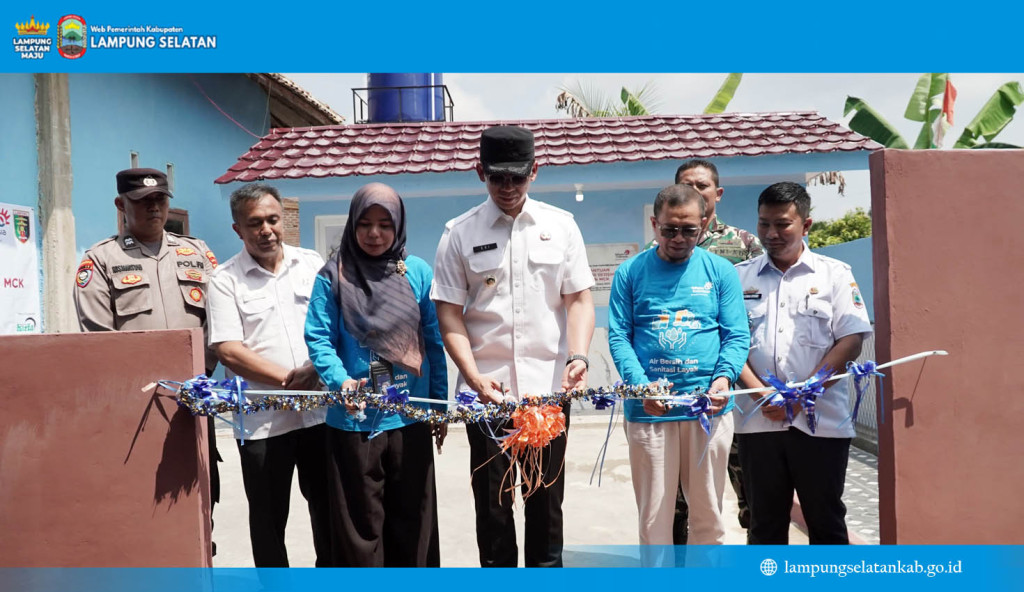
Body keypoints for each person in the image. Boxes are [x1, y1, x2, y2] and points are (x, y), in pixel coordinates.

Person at [431, 125, 596, 568]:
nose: (507, 188)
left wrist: (578, 356)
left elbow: (579, 299)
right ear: (479, 172)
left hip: (547, 394)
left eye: (517, 178)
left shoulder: (561, 227)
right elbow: (448, 311)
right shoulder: (459, 233)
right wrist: (470, 374)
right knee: (494, 512)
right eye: (497, 177)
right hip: (487, 395)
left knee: (546, 509)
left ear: (535, 172)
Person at [73, 167, 221, 556]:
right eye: (143, 202)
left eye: (160, 200)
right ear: (121, 205)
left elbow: (220, 325)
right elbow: (99, 340)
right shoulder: (100, 261)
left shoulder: (198, 254)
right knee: (144, 505)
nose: (154, 209)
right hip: (137, 409)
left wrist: (200, 379)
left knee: (202, 503)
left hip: (196, 404)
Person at [305, 182, 447, 567]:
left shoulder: (415, 271)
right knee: (360, 527)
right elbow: (319, 338)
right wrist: (340, 381)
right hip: (354, 423)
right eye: (365, 223)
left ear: (398, 226)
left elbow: (433, 342)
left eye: (385, 224)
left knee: (413, 520)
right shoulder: (332, 276)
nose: (374, 233)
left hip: (411, 416)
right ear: (352, 225)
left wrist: (439, 405)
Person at [608, 184, 748, 564]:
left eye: (689, 230)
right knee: (655, 518)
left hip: (708, 412)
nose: (679, 239)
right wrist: (640, 387)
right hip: (649, 413)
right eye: (670, 229)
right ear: (654, 224)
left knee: (708, 516)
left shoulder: (720, 271)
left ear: (703, 225)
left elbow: (735, 334)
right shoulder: (630, 272)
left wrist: (724, 379)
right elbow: (620, 336)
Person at [734, 181, 872, 544]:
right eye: (764, 224)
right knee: (764, 524)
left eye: (782, 224)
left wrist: (803, 394)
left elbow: (851, 339)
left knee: (825, 519)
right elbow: (731, 346)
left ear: (806, 225)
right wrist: (762, 394)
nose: (771, 233)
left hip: (821, 422)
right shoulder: (738, 278)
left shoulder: (834, 274)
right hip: (758, 422)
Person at [205, 182, 331, 567]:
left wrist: (316, 371)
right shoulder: (224, 280)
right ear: (237, 229)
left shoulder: (312, 264)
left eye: (273, 220)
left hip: (321, 415)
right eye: (255, 222)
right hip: (263, 424)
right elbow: (228, 349)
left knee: (329, 513)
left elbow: (336, 326)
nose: (266, 230)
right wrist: (290, 379)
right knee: (267, 519)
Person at [671, 159, 763, 544]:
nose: (696, 193)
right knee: (679, 501)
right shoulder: (662, 246)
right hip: (683, 399)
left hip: (740, 397)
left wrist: (750, 381)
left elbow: (753, 320)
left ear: (717, 193)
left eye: (703, 186)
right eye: (686, 186)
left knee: (752, 495)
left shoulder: (744, 246)